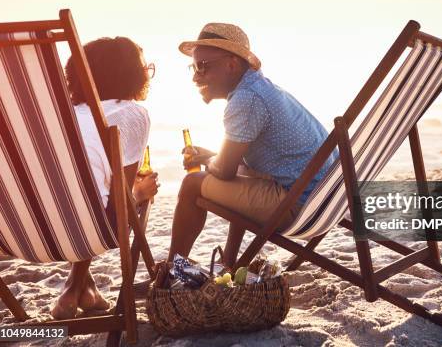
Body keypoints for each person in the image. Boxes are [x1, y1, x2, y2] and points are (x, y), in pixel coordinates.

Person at [168, 23, 335, 266]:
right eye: (193, 67)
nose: (195, 76)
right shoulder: (260, 89)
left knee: (192, 184)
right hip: (322, 199)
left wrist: (210, 161)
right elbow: (234, 166)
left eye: (203, 66)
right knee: (238, 173)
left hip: (299, 205)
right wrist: (212, 158)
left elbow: (224, 171)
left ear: (232, 65)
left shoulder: (245, 100)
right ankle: (230, 261)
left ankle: (173, 270)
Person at [51, 37, 159, 320]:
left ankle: (83, 290)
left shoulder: (57, 116)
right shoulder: (131, 114)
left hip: (16, 231)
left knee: (79, 198)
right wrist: (140, 194)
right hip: (88, 229)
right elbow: (119, 201)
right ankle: (73, 289)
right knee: (98, 207)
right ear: (134, 76)